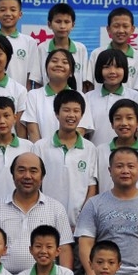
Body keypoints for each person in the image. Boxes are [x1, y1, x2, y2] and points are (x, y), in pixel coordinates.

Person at [76, 147, 138, 275]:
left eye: (131, 166)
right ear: (110, 171)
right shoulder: (94, 204)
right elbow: (86, 243)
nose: (125, 171)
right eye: (119, 166)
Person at [0, 152, 75, 274]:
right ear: (13, 175)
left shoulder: (56, 208)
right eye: (21, 170)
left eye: (33, 171)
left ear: (42, 177)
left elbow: (65, 249)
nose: (27, 176)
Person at [32, 89, 98, 231]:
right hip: (46, 223)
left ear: (82, 115)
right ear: (57, 113)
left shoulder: (90, 148)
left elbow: (91, 187)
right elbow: (35, 185)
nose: (71, 115)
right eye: (66, 110)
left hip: (78, 225)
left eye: (76, 111)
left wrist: (81, 221)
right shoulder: (40, 147)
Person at [24, 47, 94, 142]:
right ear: (46, 69)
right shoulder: (33, 96)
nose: (59, 65)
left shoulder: (80, 97)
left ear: (71, 72)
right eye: (54, 61)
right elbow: (33, 132)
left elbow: (80, 130)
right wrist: (42, 149)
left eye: (65, 62)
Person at [94, 98, 138, 195]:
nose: (124, 123)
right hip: (106, 203)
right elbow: (95, 184)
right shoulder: (100, 151)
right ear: (112, 124)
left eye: (129, 118)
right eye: (118, 118)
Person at [85, 49, 138, 147]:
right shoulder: (88, 98)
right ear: (99, 70)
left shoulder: (135, 97)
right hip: (97, 153)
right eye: (106, 67)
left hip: (128, 153)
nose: (112, 72)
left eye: (118, 67)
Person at [88, 7, 138, 95]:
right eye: (116, 26)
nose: (121, 30)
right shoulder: (97, 54)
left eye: (125, 26)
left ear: (132, 29)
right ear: (108, 29)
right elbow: (89, 85)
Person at [39, 2, 90, 93]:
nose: (62, 26)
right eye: (58, 22)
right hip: (47, 98)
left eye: (67, 22)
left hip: (74, 99)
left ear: (73, 25)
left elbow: (85, 83)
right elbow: (38, 81)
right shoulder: (42, 48)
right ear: (49, 24)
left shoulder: (81, 49)